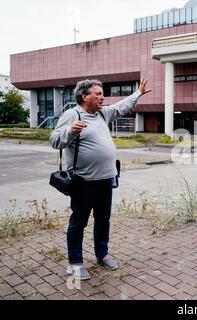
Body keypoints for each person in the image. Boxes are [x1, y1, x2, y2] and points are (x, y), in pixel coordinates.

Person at [49, 78, 151, 280]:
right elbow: (54, 140)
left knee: (103, 220)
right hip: (83, 181)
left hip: (106, 180)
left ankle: (102, 254)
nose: (102, 96)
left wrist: (137, 93)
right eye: (97, 94)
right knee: (79, 222)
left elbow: (122, 106)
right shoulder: (72, 114)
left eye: (102, 93)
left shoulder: (102, 114)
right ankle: (75, 263)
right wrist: (70, 130)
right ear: (84, 96)